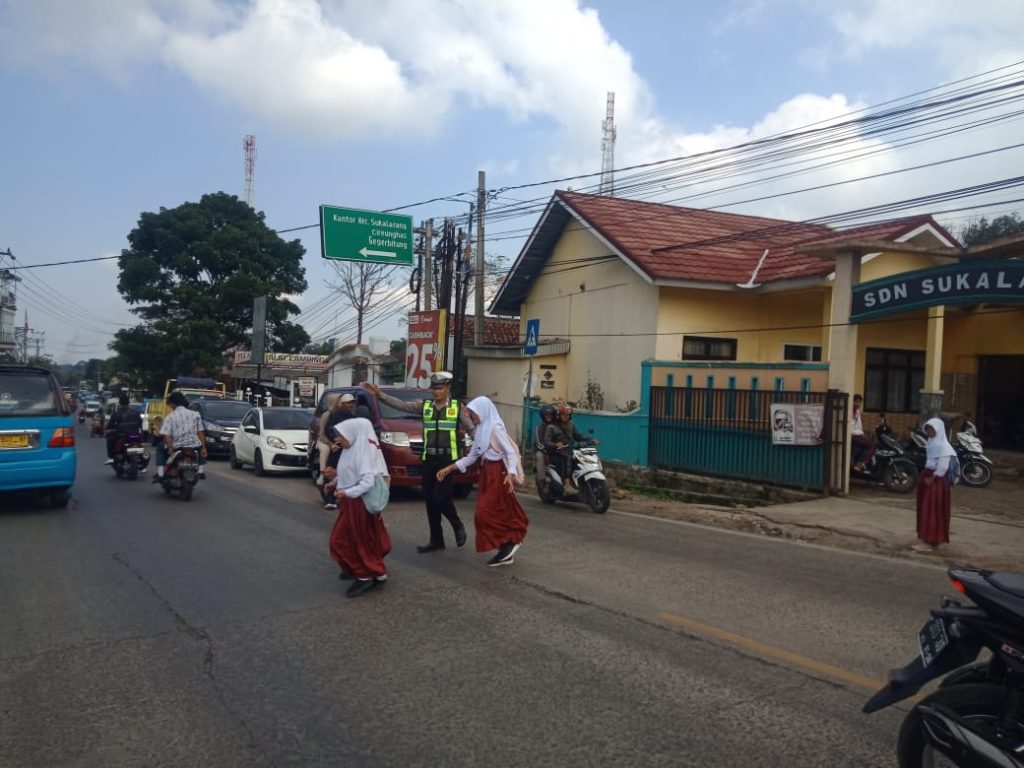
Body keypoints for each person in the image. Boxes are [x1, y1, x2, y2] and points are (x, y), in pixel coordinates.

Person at [362, 372, 472, 553]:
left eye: (440, 388)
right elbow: (402, 405)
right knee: (429, 498)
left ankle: (457, 524)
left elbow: (471, 428)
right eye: (434, 388)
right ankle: (436, 540)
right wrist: (380, 394)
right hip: (428, 458)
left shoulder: (456, 407)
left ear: (447, 388)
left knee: (441, 497)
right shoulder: (425, 406)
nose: (436, 392)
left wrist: (480, 449)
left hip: (448, 459)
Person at [436, 397, 528, 567]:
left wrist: (510, 473)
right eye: (471, 414)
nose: (472, 417)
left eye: (473, 414)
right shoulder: (481, 429)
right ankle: (506, 546)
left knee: (485, 512)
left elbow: (510, 453)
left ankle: (511, 541)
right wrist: (450, 468)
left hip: (498, 473)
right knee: (495, 511)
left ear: (483, 411)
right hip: (487, 473)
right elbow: (473, 456)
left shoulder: (494, 427)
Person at [328, 417, 392, 597]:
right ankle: (376, 571)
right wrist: (334, 482)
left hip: (358, 503)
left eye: (341, 435)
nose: (338, 439)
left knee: (346, 539)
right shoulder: (351, 450)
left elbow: (367, 482)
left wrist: (346, 493)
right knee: (364, 538)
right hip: (352, 502)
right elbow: (349, 473)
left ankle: (364, 575)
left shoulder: (364, 453)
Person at [913, 417, 956, 552]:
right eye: (927, 429)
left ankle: (929, 542)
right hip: (929, 477)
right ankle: (931, 539)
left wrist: (932, 478)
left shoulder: (943, 446)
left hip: (935, 481)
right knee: (927, 509)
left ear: (938, 430)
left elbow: (943, 467)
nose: (928, 431)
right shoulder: (931, 443)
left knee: (931, 510)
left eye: (931, 429)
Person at [153, 392, 207, 480]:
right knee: (200, 448)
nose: (170, 407)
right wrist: (203, 447)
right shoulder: (195, 415)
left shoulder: (170, 417)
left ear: (173, 403)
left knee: (160, 447)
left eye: (170, 404)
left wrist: (170, 448)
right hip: (194, 445)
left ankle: (160, 473)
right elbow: (200, 432)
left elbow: (166, 435)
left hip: (177, 445)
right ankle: (201, 470)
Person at [543, 403, 592, 490]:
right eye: (563, 414)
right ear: (559, 415)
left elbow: (578, 436)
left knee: (579, 458)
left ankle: (581, 482)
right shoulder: (551, 427)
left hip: (568, 451)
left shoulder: (571, 425)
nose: (566, 416)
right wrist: (556, 445)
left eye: (568, 415)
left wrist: (589, 440)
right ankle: (567, 485)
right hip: (555, 453)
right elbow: (546, 442)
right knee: (567, 458)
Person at [104, 394, 143, 465]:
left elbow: (110, 426)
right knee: (140, 443)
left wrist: (110, 430)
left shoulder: (117, 413)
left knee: (109, 439)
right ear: (128, 402)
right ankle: (142, 462)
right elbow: (140, 424)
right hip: (135, 435)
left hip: (122, 436)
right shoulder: (136, 412)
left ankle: (110, 457)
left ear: (120, 403)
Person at [850, 394, 876, 471]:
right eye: (856, 401)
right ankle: (859, 464)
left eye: (859, 402)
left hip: (859, 435)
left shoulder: (857, 412)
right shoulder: (850, 411)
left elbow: (859, 426)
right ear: (852, 401)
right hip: (853, 435)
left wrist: (863, 435)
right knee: (872, 446)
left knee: (869, 445)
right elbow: (851, 427)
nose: (858, 404)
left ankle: (862, 463)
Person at [534, 404, 557, 484]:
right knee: (539, 456)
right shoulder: (540, 426)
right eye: (546, 415)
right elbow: (538, 442)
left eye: (550, 415)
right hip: (543, 450)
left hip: (556, 449)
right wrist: (545, 450)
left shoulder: (557, 425)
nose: (548, 417)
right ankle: (541, 479)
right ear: (543, 416)